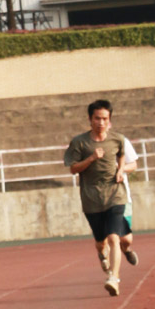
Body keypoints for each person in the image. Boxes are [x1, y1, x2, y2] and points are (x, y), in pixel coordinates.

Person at [64, 99, 140, 297]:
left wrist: (121, 170)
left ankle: (113, 278)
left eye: (105, 118)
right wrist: (91, 159)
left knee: (117, 237)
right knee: (101, 241)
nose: (101, 122)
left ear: (110, 120)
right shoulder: (80, 142)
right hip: (92, 199)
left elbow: (124, 156)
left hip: (116, 195)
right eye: (97, 118)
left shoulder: (118, 139)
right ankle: (101, 253)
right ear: (90, 119)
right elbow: (73, 168)